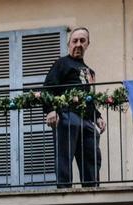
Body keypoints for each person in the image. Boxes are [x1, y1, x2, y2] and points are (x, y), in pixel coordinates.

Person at [44, 27, 105, 188]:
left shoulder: (89, 72)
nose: (78, 44)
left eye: (82, 41)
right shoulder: (62, 63)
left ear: (87, 44)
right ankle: (64, 189)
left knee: (92, 156)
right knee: (64, 155)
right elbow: (48, 88)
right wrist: (50, 109)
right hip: (67, 115)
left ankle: (92, 188)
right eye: (75, 41)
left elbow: (89, 99)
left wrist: (97, 116)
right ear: (69, 44)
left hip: (86, 120)